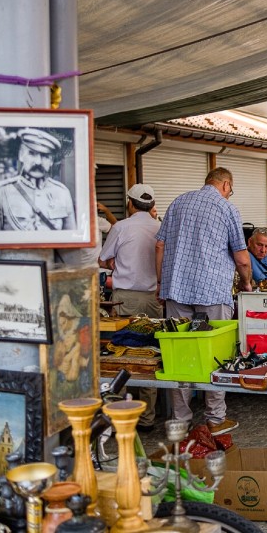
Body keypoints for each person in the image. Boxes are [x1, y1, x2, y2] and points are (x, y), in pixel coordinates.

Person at [156, 167, 252, 435]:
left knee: (180, 355)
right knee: (216, 354)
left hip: (176, 288)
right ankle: (215, 418)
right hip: (212, 290)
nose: (229, 194)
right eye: (230, 190)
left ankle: (180, 421)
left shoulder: (178, 202)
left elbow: (160, 246)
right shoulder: (226, 208)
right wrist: (245, 282)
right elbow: (242, 257)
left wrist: (161, 283)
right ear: (225, 184)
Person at [98, 183, 162, 431]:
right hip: (155, 299)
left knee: (121, 355)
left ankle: (119, 420)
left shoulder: (122, 227)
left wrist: (116, 262)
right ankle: (147, 418)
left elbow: (103, 259)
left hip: (126, 298)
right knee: (150, 355)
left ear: (130, 203)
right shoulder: (160, 227)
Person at [0, 128, 76, 231]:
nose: (38, 162)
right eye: (32, 153)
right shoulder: (0, 191)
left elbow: (71, 239)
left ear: (51, 161)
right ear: (21, 155)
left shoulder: (62, 192)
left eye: (45, 156)